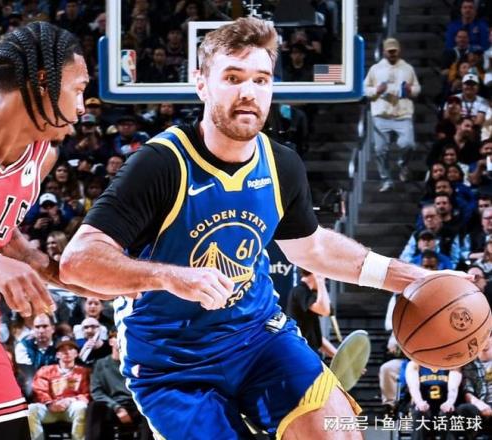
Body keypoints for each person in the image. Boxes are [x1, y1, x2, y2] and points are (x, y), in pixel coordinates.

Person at [60, 18, 458, 439]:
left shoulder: (281, 163)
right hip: (173, 364)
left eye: (261, 79)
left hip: (259, 338)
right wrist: (170, 277)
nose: (248, 92)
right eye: (233, 78)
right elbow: (77, 262)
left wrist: (414, 278)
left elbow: (313, 249)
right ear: (201, 84)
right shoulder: (160, 164)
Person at [0, 21, 92, 438]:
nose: (82, 108)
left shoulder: (42, 157)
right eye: (78, 89)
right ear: (41, 82)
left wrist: (57, 272)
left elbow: (4, 234)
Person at [363, 37, 421, 192]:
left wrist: (411, 90)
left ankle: (403, 164)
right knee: (380, 149)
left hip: (403, 114)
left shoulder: (407, 68)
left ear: (399, 50)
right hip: (381, 114)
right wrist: (376, 90)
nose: (392, 54)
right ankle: (386, 179)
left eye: (394, 51)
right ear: (384, 52)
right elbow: (364, 89)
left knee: (408, 144)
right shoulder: (375, 69)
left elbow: (417, 88)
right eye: (389, 51)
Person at [86, 331, 152, 440]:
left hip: (135, 404)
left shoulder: (135, 363)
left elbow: (145, 387)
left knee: (149, 405)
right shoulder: (100, 364)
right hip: (112, 405)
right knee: (94, 406)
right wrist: (117, 408)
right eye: (118, 337)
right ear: (110, 342)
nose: (122, 340)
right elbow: (97, 392)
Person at [27, 338, 90, 440]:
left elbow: (87, 393)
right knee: (30, 409)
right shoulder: (45, 370)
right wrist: (49, 403)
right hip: (50, 408)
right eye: (62, 349)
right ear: (57, 354)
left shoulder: (84, 372)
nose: (66, 352)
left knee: (81, 407)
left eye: (70, 349)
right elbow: (39, 390)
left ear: (76, 353)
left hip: (72, 408)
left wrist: (70, 400)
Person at [286, 269, 337, 358]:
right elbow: (325, 310)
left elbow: (317, 339)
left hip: (307, 354)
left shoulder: (308, 294)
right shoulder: (299, 291)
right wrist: (320, 281)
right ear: (314, 274)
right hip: (301, 355)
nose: (325, 281)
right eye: (325, 278)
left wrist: (341, 357)